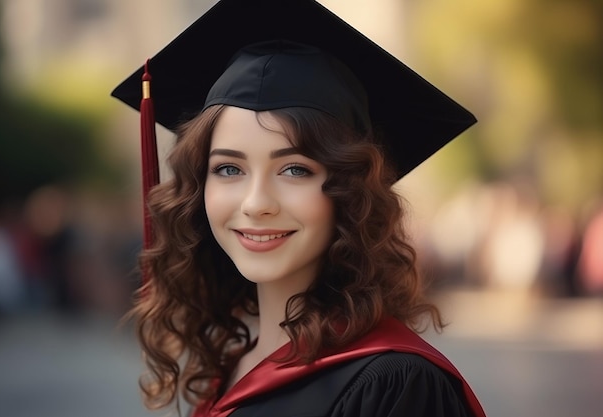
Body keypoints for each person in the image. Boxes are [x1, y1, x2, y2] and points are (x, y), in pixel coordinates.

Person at [112, 0, 485, 416]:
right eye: (229, 168)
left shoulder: (395, 385)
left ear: (349, 192)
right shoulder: (230, 372)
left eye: (294, 170)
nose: (256, 204)